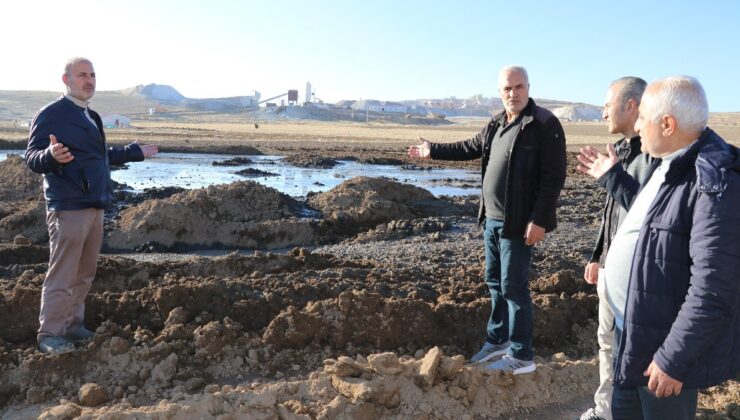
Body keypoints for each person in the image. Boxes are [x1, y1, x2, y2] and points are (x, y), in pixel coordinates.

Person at [578, 76, 739, 419]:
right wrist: (612, 177)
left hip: (661, 353)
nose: (637, 125)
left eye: (643, 117)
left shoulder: (713, 182)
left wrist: (673, 360)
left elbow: (713, 289)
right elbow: (653, 228)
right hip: (632, 332)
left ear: (667, 124)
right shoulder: (668, 164)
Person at [408, 65, 566, 374]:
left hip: (520, 223)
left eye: (519, 87)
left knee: (514, 287)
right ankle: (498, 342)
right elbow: (469, 146)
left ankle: (521, 355)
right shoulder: (497, 123)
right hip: (492, 220)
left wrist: (540, 219)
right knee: (495, 282)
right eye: (507, 88)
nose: (513, 93)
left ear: (529, 87)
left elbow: (554, 177)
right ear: (500, 92)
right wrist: (432, 150)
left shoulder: (544, 123)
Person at [25, 57, 158, 354]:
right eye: (82, 75)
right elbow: (31, 157)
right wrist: (50, 156)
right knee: (62, 273)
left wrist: (133, 152)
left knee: (84, 272)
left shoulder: (92, 116)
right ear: (66, 80)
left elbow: (99, 156)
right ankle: (50, 334)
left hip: (95, 205)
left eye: (93, 75)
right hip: (68, 207)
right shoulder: (52, 114)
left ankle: (73, 326)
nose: (89, 80)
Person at [576, 77, 651, 420]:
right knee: (607, 343)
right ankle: (606, 411)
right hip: (611, 269)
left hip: (638, 277)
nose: (603, 111)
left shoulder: (653, 155)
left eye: (608, 104)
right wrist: (597, 256)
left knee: (631, 350)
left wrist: (612, 178)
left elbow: (652, 214)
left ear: (632, 105)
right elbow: (612, 213)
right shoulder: (621, 149)